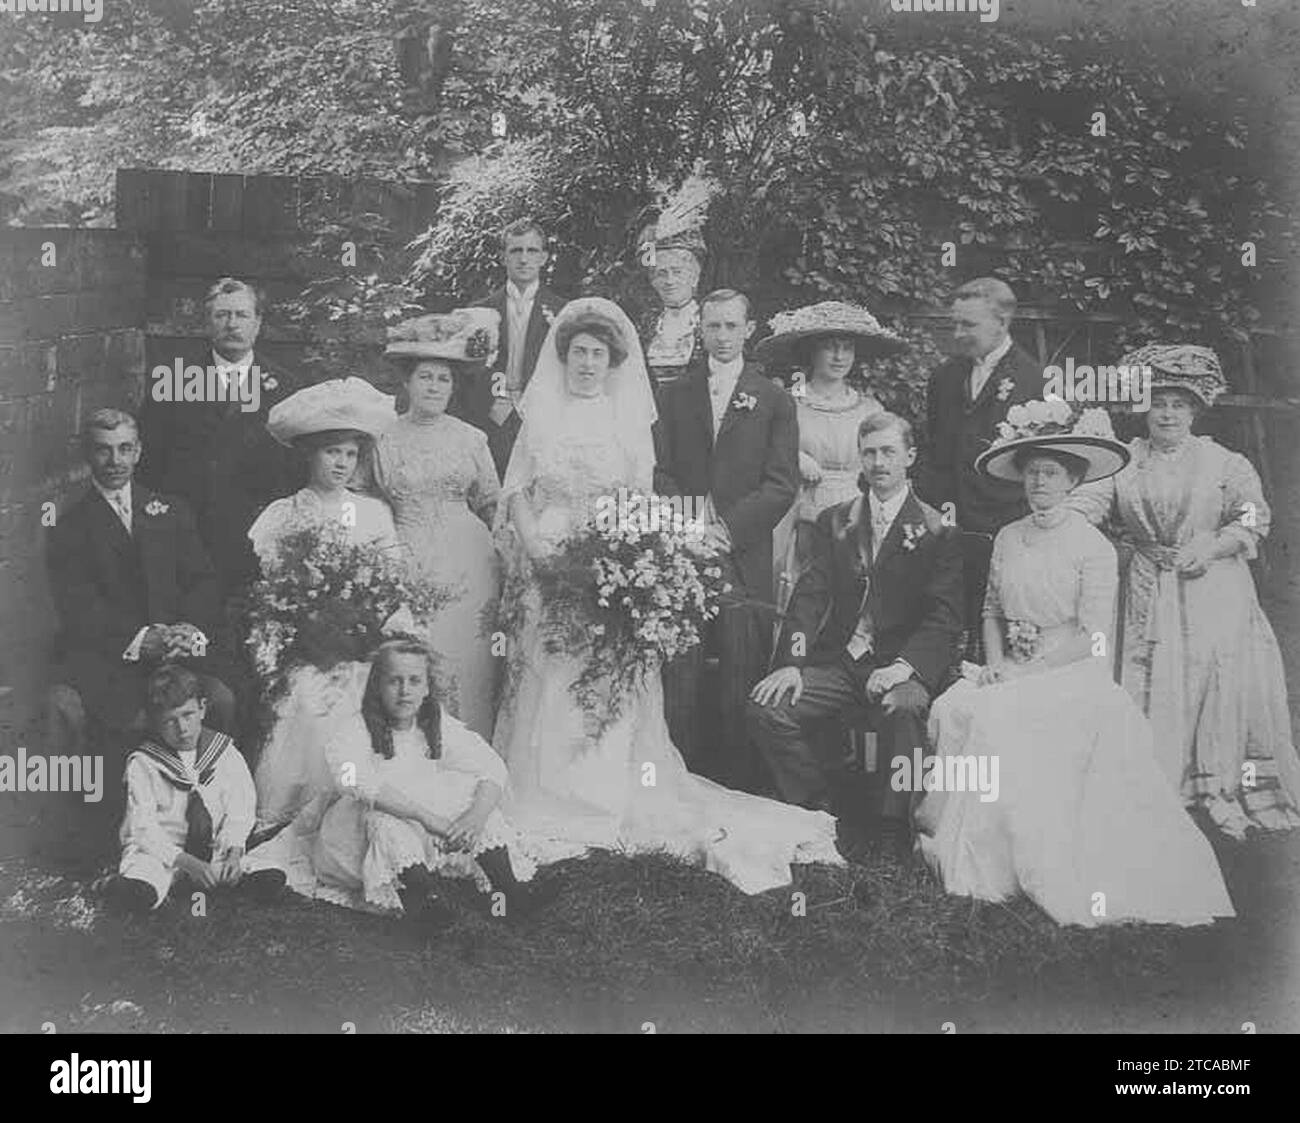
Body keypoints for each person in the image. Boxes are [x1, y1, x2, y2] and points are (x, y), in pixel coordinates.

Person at [491, 297, 841, 895]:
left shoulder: (627, 419)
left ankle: (605, 791)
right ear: (564, 356)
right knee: (544, 675)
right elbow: (518, 490)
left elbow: (642, 494)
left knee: (609, 677)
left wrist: (619, 558)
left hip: (607, 561)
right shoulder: (541, 414)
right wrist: (538, 548)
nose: (587, 364)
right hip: (545, 561)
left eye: (598, 354)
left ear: (613, 361)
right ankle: (541, 789)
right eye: (578, 352)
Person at [914, 407, 1236, 927]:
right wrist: (996, 664)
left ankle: (1012, 859)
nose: (1040, 482)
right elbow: (992, 610)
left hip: (1069, 671)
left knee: (1000, 721)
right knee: (955, 706)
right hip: (1009, 665)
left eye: (1052, 473)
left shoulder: (1093, 547)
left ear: (1073, 480)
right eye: (1033, 472)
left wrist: (1027, 670)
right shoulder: (1007, 536)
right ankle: (958, 836)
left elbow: (1094, 636)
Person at [1067, 344, 1300, 837]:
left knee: (1207, 678)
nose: (1167, 413)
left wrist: (1215, 544)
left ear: (1194, 409)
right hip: (1149, 584)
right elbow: (1088, 503)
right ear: (1142, 408)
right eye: (1158, 402)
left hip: (1211, 585)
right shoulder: (1124, 462)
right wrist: (1058, 518)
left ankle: (1213, 781)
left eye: (1178, 404)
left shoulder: (1226, 463)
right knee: (1149, 676)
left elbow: (1254, 516)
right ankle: (1154, 779)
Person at [747, 413, 964, 856]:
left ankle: (890, 825)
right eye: (869, 453)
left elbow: (944, 617)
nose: (878, 462)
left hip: (902, 664)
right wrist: (791, 662)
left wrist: (903, 667)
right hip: (841, 663)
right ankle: (819, 804)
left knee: (901, 709)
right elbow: (809, 597)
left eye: (888, 452)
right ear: (860, 459)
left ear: (910, 457)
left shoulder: (937, 529)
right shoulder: (835, 521)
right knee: (766, 709)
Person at [245, 638, 549, 920]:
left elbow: (490, 765)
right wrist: (425, 817)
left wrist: (475, 816)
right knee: (384, 819)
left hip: (421, 828)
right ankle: (427, 902)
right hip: (355, 835)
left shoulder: (436, 724)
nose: (405, 691)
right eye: (395, 681)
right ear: (378, 686)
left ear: (427, 687)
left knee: (473, 796)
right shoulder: (353, 731)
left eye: (414, 681)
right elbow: (352, 779)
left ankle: (509, 891)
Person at [653, 289, 799, 785]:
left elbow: (781, 484)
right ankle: (678, 778)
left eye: (730, 327)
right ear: (700, 329)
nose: (721, 336)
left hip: (743, 550)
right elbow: (660, 471)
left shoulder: (774, 398)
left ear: (748, 329)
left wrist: (729, 530)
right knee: (683, 670)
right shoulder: (675, 393)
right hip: (685, 550)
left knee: (741, 664)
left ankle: (739, 780)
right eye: (712, 326)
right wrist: (693, 526)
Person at [45, 409, 236, 778]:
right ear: (88, 455)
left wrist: (188, 629)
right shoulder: (69, 528)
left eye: (124, 448)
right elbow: (79, 610)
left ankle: (210, 803)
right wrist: (140, 639)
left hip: (179, 660)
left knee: (223, 699)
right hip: (114, 665)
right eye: (103, 450)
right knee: (124, 721)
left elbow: (203, 580)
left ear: (139, 452)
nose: (115, 461)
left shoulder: (171, 510)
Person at [246, 377, 400, 829]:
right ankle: (309, 812)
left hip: (363, 644)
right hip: (306, 648)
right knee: (309, 698)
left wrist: (369, 632)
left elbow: (390, 584)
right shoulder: (283, 515)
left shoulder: (372, 513)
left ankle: (371, 807)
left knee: (371, 688)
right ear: (309, 454)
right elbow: (271, 595)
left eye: (351, 454)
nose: (342, 463)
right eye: (332, 452)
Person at [377, 311, 503, 740]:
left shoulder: (472, 439)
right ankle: (415, 752)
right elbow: (374, 504)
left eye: (443, 379)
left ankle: (472, 751)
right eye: (425, 377)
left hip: (470, 562)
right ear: (407, 384)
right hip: (406, 557)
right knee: (417, 657)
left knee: (468, 661)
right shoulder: (383, 439)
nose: (434, 387)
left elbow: (491, 504)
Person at [137, 277, 301, 598]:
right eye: (222, 315)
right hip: (188, 535)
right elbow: (148, 462)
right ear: (207, 323)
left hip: (256, 534)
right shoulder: (175, 381)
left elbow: (295, 470)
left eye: (241, 315)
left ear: (258, 323)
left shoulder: (284, 387)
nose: (232, 324)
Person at [914, 278, 1043, 657]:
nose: (957, 334)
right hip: (951, 529)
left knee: (999, 636)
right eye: (955, 324)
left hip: (1005, 528)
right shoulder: (945, 377)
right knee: (946, 626)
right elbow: (936, 452)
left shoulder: (1033, 380)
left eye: (967, 325)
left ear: (1002, 323)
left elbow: (1034, 466)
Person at [753, 300, 904, 612]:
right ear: (811, 351)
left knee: (850, 593)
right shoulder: (787, 403)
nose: (839, 357)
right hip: (798, 509)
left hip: (854, 510)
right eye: (830, 347)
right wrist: (792, 457)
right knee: (799, 591)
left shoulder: (870, 408)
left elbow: (887, 467)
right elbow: (759, 451)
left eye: (846, 347)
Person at [103, 665, 285, 913]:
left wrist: (233, 849)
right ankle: (135, 890)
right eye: (170, 721)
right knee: (148, 873)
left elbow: (241, 807)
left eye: (188, 715)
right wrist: (185, 861)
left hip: (212, 849)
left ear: (202, 708)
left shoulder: (224, 752)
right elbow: (143, 827)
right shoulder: (144, 763)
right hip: (164, 850)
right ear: (155, 722)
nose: (182, 729)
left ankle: (240, 878)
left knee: (247, 867)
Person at [458, 218, 567, 477]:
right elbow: (466, 374)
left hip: (542, 420)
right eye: (516, 250)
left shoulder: (562, 312)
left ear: (543, 257)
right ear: (503, 257)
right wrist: (482, 410)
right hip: (490, 418)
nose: (524, 259)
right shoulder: (479, 311)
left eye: (532, 251)